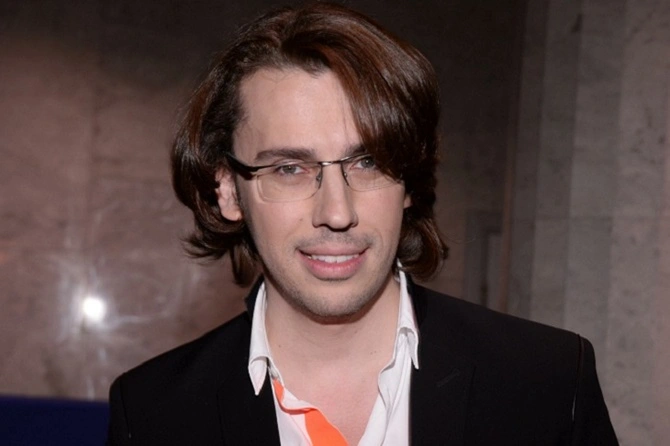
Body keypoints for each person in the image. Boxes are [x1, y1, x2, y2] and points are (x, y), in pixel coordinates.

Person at [107, 2, 618, 445]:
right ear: (228, 190)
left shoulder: (548, 383)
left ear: (410, 181)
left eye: (368, 162)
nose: (337, 213)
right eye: (289, 168)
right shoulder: (154, 414)